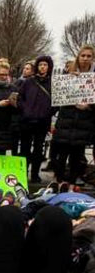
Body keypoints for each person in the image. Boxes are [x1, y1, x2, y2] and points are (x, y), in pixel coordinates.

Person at [53, 45, 95, 188]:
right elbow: (57, 97)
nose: (85, 58)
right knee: (61, 154)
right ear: (78, 56)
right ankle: (59, 181)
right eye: (83, 55)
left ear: (92, 58)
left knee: (77, 156)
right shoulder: (68, 73)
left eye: (89, 56)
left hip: (84, 123)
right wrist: (69, 80)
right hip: (66, 120)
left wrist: (89, 106)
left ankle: (72, 183)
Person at [17, 56, 54, 183]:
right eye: (40, 64)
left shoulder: (52, 83)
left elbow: (56, 103)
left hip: (42, 122)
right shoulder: (28, 82)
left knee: (39, 149)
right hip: (27, 121)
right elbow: (20, 98)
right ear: (37, 67)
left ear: (49, 67)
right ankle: (22, 173)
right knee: (24, 149)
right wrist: (25, 110)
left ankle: (34, 174)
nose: (42, 67)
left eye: (45, 65)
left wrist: (46, 113)